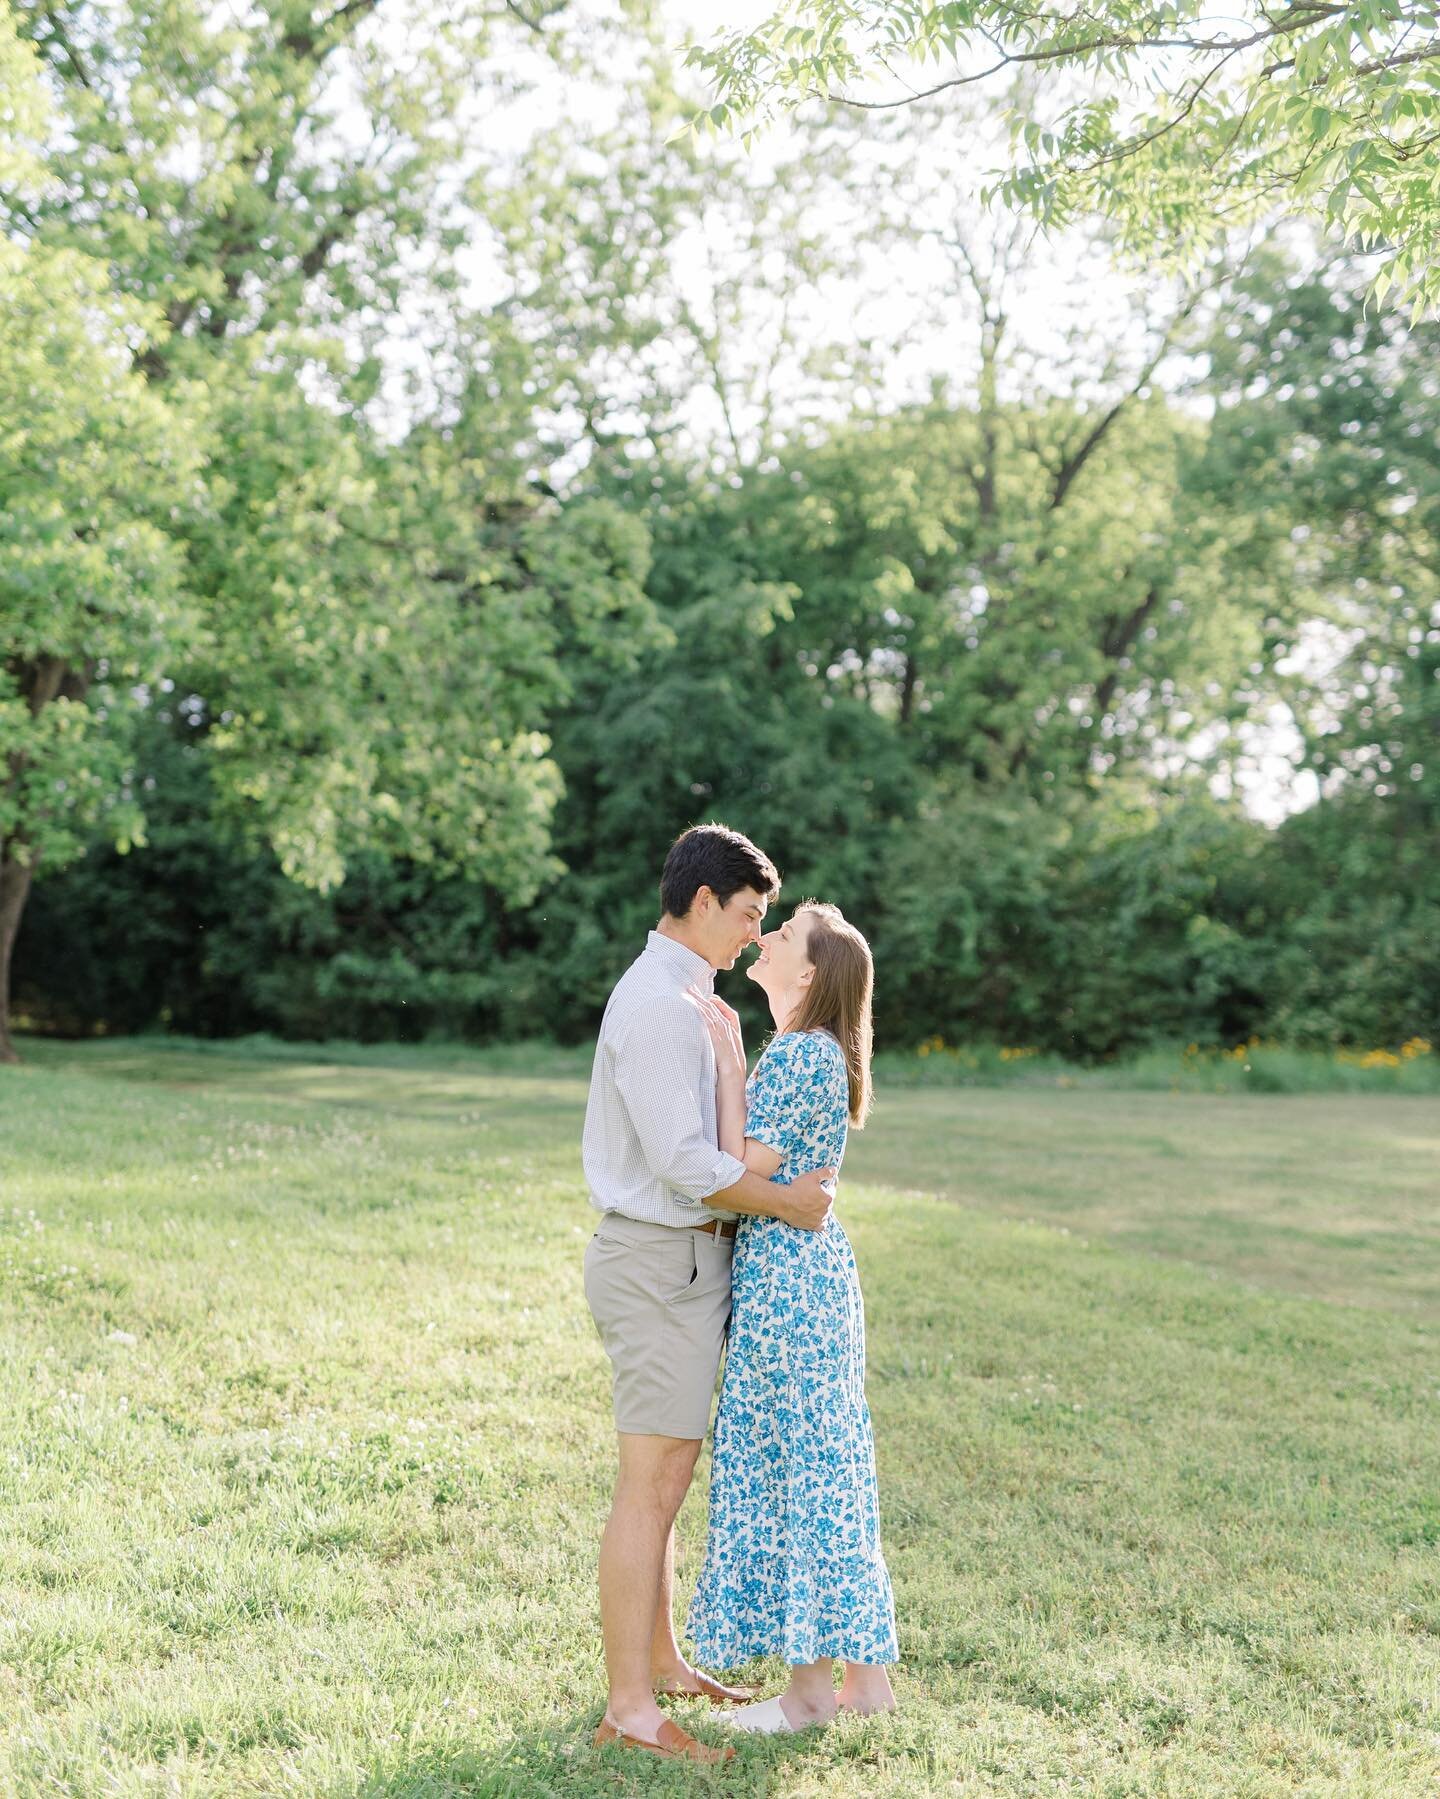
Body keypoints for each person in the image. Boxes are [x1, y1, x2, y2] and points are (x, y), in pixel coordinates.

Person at [581, 825, 838, 1766]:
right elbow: (688, 1165)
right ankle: (631, 1709)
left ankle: (664, 1662)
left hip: (687, 1265)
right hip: (657, 1262)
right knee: (648, 1488)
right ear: (700, 901)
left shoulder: (695, 999)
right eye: (746, 915)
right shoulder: (655, 1003)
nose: (751, 934)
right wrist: (788, 1203)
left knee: (669, 1483)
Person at [686, 900, 899, 1732]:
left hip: (789, 1288)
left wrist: (728, 1065)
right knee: (829, 1466)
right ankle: (866, 1682)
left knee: (794, 1471)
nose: (764, 937)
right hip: (808, 1277)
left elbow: (740, 1169)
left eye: (781, 934)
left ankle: (810, 1693)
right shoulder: (821, 1051)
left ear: (806, 973)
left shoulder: (800, 1053)